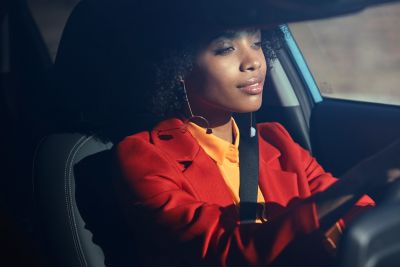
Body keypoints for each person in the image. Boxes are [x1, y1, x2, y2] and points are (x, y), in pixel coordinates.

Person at [113, 24, 400, 267]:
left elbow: (355, 209)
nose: (253, 61)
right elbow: (221, 249)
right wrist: (364, 175)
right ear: (177, 65)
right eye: (225, 48)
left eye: (257, 43)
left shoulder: (276, 141)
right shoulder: (144, 156)